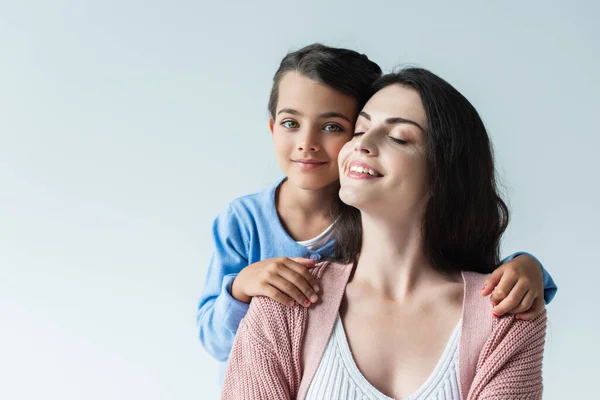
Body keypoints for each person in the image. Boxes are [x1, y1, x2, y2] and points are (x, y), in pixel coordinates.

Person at [197, 44, 556, 381]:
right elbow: (213, 339)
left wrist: (528, 267)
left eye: (334, 127)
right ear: (273, 127)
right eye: (291, 123)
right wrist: (242, 288)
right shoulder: (243, 220)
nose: (307, 142)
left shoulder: (369, 207)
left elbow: (460, 265)